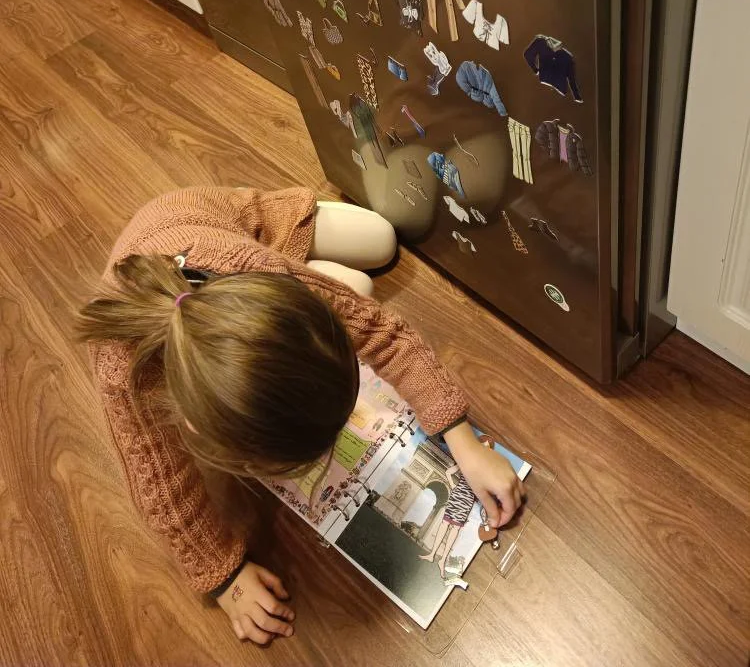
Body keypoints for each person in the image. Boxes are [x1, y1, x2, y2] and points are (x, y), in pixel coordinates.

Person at [76, 187, 525, 646]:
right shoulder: (125, 381)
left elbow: (375, 329)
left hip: (234, 226)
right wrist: (224, 579)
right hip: (187, 259)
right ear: (193, 428)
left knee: (378, 250)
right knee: (358, 286)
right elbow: (164, 493)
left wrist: (459, 435)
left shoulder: (258, 270)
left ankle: (320, 278)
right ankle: (325, 281)